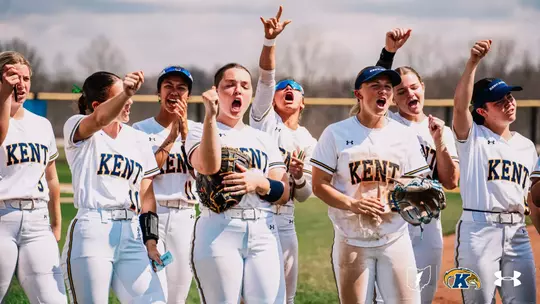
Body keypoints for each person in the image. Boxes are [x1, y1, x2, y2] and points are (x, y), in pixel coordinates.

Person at [186, 10, 291, 302]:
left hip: (263, 229)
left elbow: (284, 192)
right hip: (219, 229)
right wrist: (208, 119)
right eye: (229, 84)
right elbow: (208, 166)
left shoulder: (263, 138)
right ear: (216, 91)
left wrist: (261, 183)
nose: (238, 89)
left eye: (245, 85)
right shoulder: (198, 130)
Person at [311, 65, 430, 303]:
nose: (383, 91)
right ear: (359, 94)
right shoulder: (336, 133)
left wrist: (396, 202)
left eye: (388, 87)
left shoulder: (404, 135)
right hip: (351, 240)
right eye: (375, 86)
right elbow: (319, 184)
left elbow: (417, 185)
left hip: (395, 238)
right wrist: (352, 204)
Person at [60, 70, 166, 303]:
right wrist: (127, 90)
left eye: (128, 96)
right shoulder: (78, 127)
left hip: (132, 231)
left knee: (154, 300)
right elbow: (98, 120)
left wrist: (151, 240)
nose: (129, 102)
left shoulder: (137, 139)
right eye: (121, 97)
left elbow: (146, 193)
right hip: (93, 228)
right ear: (97, 105)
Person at [373, 28, 460, 303]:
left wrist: (440, 144)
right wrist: (388, 53)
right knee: (384, 297)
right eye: (401, 91)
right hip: (392, 221)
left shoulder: (440, 129)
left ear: (423, 88)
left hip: (428, 224)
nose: (409, 93)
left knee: (422, 296)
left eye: (413, 87)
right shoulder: (386, 123)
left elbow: (451, 181)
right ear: (393, 98)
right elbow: (375, 86)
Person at [452, 39, 537, 303]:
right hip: (479, 232)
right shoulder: (471, 136)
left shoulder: (527, 147)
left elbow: (533, 199)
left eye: (510, 97)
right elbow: (459, 106)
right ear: (481, 111)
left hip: (518, 235)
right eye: (499, 101)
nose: (509, 102)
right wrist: (473, 63)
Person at [249, 6, 315, 304]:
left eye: (295, 88)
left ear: (303, 102)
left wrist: (299, 177)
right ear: (273, 97)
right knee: (249, 295)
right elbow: (265, 77)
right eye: (282, 87)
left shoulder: (307, 141)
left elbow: (304, 196)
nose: (288, 88)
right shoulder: (263, 119)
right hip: (255, 214)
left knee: (285, 297)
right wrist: (270, 42)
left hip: (286, 219)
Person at [0, 51, 66, 303]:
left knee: (53, 299)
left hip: (37, 220)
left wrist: (56, 224)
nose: (21, 84)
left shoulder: (42, 124)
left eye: (26, 78)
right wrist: (5, 94)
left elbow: (51, 179)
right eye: (13, 76)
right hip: (2, 216)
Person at [132, 65, 198, 303]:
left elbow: (201, 173)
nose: (175, 92)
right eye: (168, 86)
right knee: (152, 292)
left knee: (177, 295)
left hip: (185, 217)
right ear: (158, 93)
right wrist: (172, 137)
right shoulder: (140, 130)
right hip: (153, 217)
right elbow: (148, 171)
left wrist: (186, 135)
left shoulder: (197, 132)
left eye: (181, 88)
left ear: (188, 96)